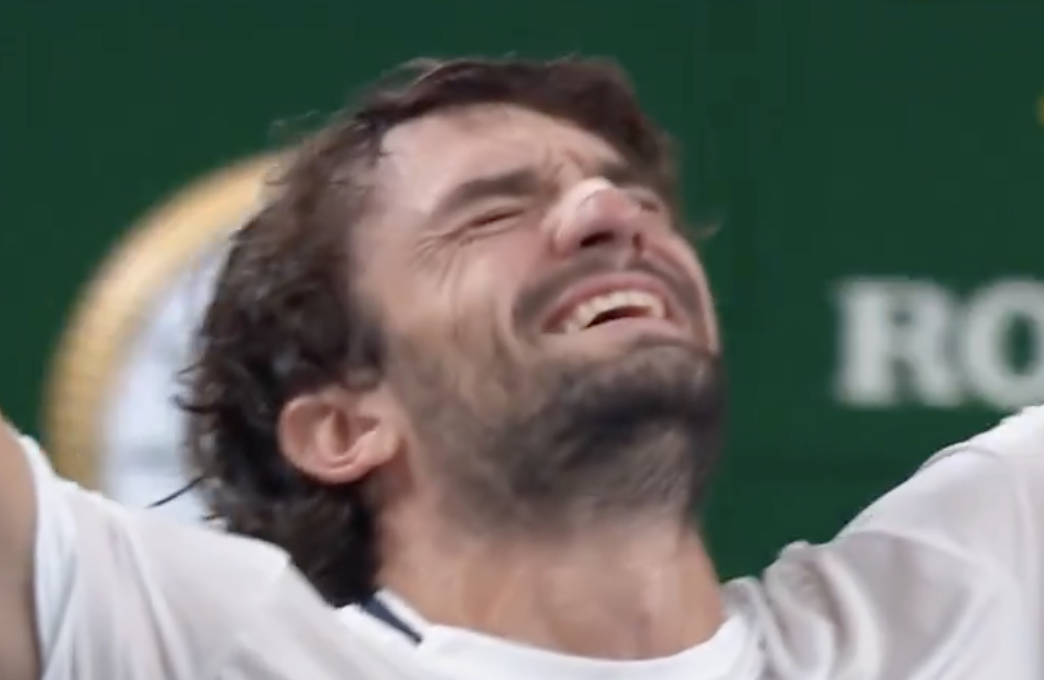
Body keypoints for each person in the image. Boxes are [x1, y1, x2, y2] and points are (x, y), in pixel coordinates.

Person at [1, 56, 1041, 680]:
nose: (610, 212)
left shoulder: (958, 598)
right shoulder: (216, 649)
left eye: (635, 196)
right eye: (491, 213)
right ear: (344, 424)